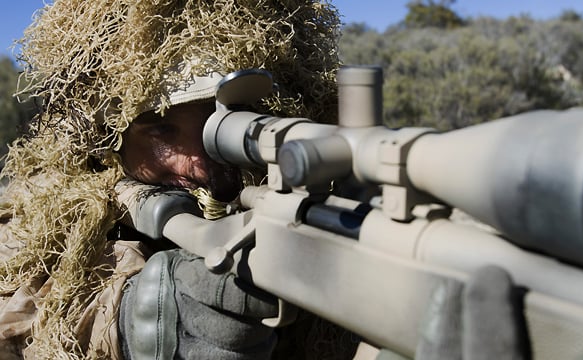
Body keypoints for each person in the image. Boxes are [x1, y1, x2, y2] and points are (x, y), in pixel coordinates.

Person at [0, 0, 357, 358]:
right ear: (107, 138)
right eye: (161, 130)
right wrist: (124, 323)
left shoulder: (290, 188)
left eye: (219, 129)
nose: (200, 165)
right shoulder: (45, 207)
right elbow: (14, 315)